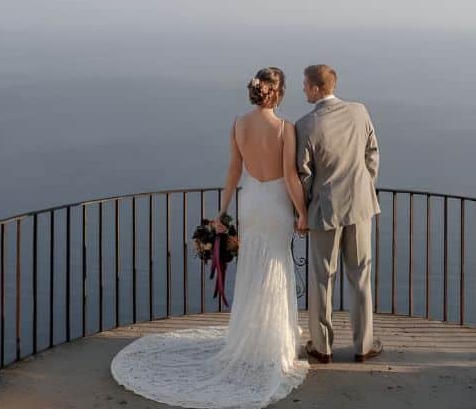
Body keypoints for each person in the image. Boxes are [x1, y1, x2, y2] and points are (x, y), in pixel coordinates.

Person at [111, 67, 310, 409]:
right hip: (276, 204)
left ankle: (252, 339)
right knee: (276, 269)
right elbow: (291, 176)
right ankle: (273, 344)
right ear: (276, 94)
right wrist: (303, 212)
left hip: (250, 203)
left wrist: (222, 211)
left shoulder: (239, 125)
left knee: (251, 269)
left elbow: (234, 170)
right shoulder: (284, 128)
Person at [295, 64, 382, 363]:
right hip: (360, 207)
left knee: (322, 279)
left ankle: (322, 348)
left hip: (324, 211)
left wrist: (304, 210)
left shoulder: (306, 124)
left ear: (318, 88)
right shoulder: (359, 111)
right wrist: (365, 186)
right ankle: (364, 346)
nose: (303, 89)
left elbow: (303, 173)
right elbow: (372, 153)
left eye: (305, 85)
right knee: (361, 277)